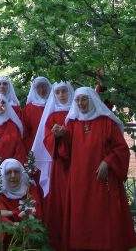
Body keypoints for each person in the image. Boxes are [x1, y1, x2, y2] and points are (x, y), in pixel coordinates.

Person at [56, 87, 136, 250]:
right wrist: (61, 137)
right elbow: (65, 153)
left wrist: (108, 161)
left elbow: (121, 148)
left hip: (101, 179)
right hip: (79, 180)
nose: (80, 103)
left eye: (84, 99)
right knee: (81, 217)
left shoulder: (106, 122)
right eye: (77, 100)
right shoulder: (72, 123)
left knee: (102, 216)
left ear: (92, 100)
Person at [31, 81, 73, 250]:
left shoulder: (75, 112)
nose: (62, 95)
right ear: (54, 95)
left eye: (64, 91)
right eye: (58, 92)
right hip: (58, 165)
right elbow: (46, 139)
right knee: (59, 200)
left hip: (75, 163)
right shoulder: (51, 115)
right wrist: (55, 136)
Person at [0, 159, 43, 248]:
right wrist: (15, 222)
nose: (13, 176)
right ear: (3, 175)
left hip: (28, 239)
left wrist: (9, 213)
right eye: (8, 172)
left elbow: (35, 212)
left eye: (16, 172)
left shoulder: (29, 189)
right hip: (7, 242)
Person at [23, 77, 51, 152]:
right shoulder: (29, 108)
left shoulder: (53, 105)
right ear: (34, 89)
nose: (42, 90)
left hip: (52, 144)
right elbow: (26, 131)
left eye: (44, 86)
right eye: (38, 87)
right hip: (34, 145)